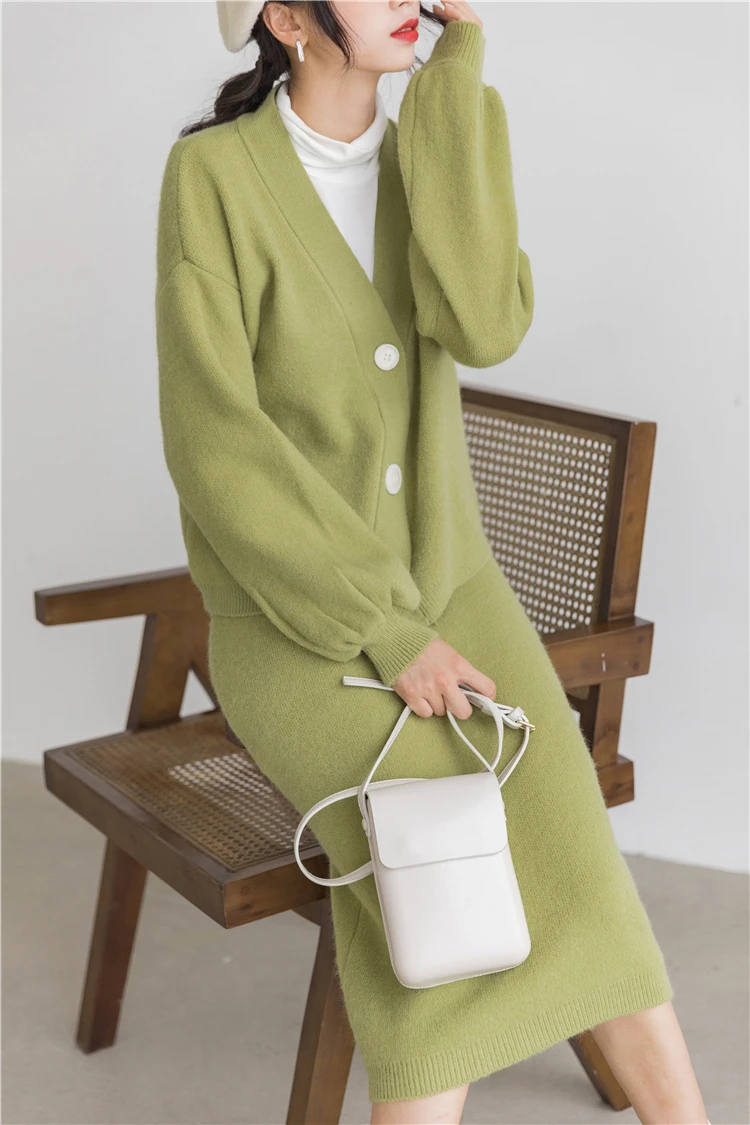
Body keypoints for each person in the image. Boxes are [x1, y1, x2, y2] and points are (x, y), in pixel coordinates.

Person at [154, 2, 711, 1122]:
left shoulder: (431, 152)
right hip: (296, 624)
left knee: (579, 866)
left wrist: (454, 86)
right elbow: (217, 445)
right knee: (434, 865)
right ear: (287, 18)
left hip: (457, 587)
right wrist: (386, 630)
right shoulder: (211, 179)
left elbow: (487, 324)